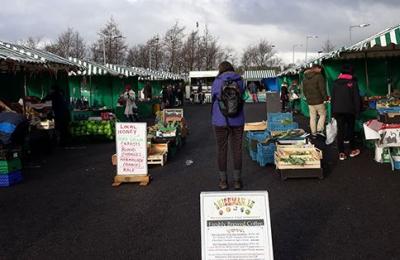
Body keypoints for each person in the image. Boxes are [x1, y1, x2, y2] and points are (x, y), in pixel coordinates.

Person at [211, 61, 245, 190]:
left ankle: (223, 181)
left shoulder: (217, 81)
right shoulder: (240, 80)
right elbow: (243, 95)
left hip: (220, 121)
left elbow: (214, 96)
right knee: (237, 150)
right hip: (238, 120)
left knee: (222, 150)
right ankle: (237, 181)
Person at [331, 64, 361, 160]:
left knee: (340, 130)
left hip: (338, 111)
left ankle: (341, 153)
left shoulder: (335, 83)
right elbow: (356, 98)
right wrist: (357, 111)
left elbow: (333, 98)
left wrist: (333, 111)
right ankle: (352, 150)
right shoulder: (353, 82)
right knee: (350, 129)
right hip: (349, 110)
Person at [302, 64, 327, 136]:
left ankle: (313, 132)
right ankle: (319, 130)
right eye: (320, 69)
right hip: (319, 101)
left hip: (310, 102)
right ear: (317, 68)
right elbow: (322, 89)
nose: (321, 70)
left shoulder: (305, 78)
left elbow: (304, 91)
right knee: (322, 114)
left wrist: (308, 98)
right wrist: (325, 98)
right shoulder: (319, 76)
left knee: (312, 117)